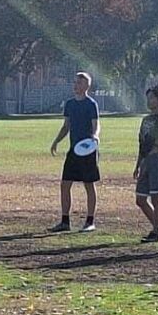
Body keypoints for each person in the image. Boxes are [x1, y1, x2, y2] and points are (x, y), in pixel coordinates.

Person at [49, 71, 100, 232]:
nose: (76, 85)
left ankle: (90, 221)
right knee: (65, 184)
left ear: (86, 86)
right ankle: (65, 221)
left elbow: (96, 125)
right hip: (73, 150)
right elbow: (66, 126)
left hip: (87, 150)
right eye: (75, 82)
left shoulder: (91, 104)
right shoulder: (69, 104)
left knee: (88, 185)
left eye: (79, 83)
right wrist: (56, 141)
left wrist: (95, 136)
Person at [134, 84, 158, 242]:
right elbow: (141, 143)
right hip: (145, 161)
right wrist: (138, 164)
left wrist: (154, 142)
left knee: (156, 198)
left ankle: (155, 233)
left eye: (153, 98)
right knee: (140, 199)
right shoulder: (145, 119)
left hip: (157, 160)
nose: (149, 101)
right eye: (148, 98)